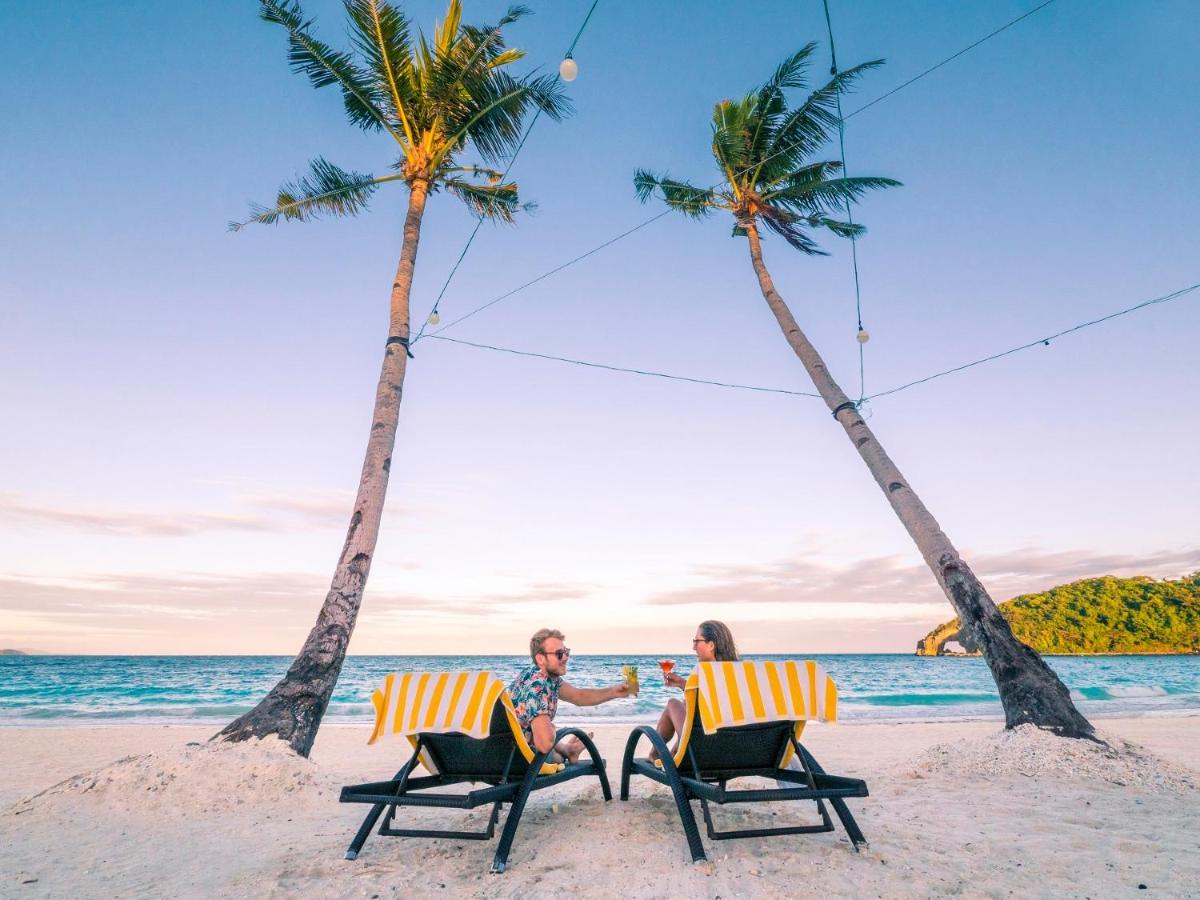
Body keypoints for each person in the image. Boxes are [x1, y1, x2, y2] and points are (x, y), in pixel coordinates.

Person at [508, 628, 634, 764]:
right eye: (559, 654)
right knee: (556, 757)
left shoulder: (538, 674)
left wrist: (614, 692)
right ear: (540, 658)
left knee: (547, 738)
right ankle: (568, 751)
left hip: (507, 747)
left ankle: (568, 749)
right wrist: (552, 729)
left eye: (566, 652)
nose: (566, 657)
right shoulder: (538, 687)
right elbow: (544, 745)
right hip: (514, 759)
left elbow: (578, 696)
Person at [650, 620, 739, 762]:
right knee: (687, 706)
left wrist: (683, 685)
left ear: (711, 645)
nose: (693, 647)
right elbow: (713, 700)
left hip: (704, 748)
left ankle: (655, 754)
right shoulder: (739, 676)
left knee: (673, 703)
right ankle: (671, 753)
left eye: (696, 641)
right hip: (733, 751)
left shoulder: (703, 673)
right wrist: (682, 684)